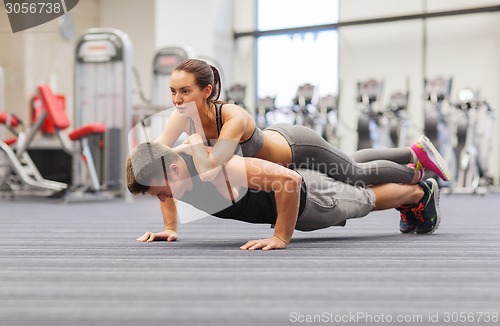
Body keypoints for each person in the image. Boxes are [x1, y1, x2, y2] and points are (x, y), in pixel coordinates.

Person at [154, 58, 449, 231]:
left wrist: (191, 143)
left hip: (297, 147)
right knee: (349, 161)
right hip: (282, 162)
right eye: (172, 92)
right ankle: (412, 153)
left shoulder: (231, 116)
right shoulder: (182, 118)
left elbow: (212, 165)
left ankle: (418, 172)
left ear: (206, 91)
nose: (177, 99)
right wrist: (170, 228)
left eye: (184, 91)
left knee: (355, 173)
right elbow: (156, 163)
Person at [126, 142, 441, 251]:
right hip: (299, 190)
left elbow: (288, 182)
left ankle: (419, 192)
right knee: (352, 169)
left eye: (163, 191)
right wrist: (170, 228)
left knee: (365, 200)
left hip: (309, 200)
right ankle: (409, 163)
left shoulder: (221, 169)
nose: (164, 198)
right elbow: (165, 194)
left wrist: (281, 236)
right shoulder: (176, 167)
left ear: (176, 171)